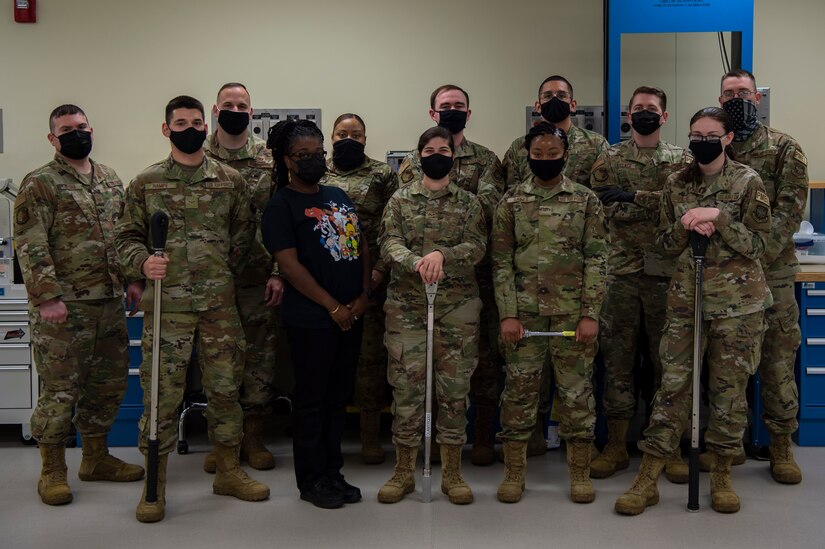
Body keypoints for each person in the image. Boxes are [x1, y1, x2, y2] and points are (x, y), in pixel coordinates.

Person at [116, 95, 267, 523]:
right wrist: (142, 262)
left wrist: (222, 274)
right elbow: (125, 238)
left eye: (196, 121)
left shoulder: (229, 180)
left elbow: (243, 237)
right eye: (180, 122)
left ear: (208, 125)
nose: (190, 127)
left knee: (225, 391)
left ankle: (228, 471)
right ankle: (155, 485)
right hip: (168, 308)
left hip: (219, 305)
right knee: (161, 397)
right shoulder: (146, 183)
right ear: (167, 129)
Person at [615, 107, 773, 516]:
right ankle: (648, 477)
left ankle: (721, 474)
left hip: (738, 306)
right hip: (688, 300)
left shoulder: (747, 181)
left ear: (727, 139)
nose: (702, 141)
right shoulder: (675, 182)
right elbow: (664, 245)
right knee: (673, 387)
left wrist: (719, 218)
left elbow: (759, 246)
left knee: (727, 392)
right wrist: (686, 225)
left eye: (711, 134)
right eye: (696, 134)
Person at [14, 104, 144, 506]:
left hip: (108, 301)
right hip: (63, 307)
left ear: (92, 128)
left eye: (82, 126)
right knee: (61, 389)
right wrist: (47, 295)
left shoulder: (109, 178)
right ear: (53, 139)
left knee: (107, 385)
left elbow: (122, 235)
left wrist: (131, 280)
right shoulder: (40, 182)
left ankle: (95, 457)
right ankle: (52, 470)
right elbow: (30, 243)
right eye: (67, 129)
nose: (77, 133)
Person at [493, 122, 607, 504]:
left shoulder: (586, 200)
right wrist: (508, 314)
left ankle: (579, 472)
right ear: (527, 155)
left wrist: (590, 314)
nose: (544, 160)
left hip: (572, 315)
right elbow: (501, 262)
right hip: (524, 316)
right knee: (519, 393)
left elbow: (597, 258)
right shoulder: (510, 201)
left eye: (552, 155)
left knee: (577, 394)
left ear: (565, 155)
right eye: (537, 155)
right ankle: (513, 473)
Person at [261, 119, 368, 510]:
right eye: (302, 155)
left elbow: (360, 243)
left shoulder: (338, 194)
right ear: (287, 160)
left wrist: (361, 296)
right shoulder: (280, 205)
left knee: (338, 398)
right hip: (312, 319)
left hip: (351, 314)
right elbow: (289, 267)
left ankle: (332, 471)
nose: (312, 160)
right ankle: (311, 480)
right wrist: (333, 306)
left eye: (317, 153)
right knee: (311, 400)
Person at [377, 126, 486, 504]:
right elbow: (388, 242)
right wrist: (416, 261)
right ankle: (404, 470)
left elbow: (477, 245)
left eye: (444, 149)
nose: (436, 154)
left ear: (453, 157)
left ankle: (452, 473)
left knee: (454, 391)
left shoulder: (469, 203)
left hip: (456, 308)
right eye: (429, 149)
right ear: (419, 155)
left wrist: (444, 255)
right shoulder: (400, 200)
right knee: (406, 389)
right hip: (408, 307)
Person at [589, 86, 693, 482]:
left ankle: (668, 447)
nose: (644, 114)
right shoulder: (609, 157)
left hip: (667, 275)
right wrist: (652, 203)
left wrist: (632, 197)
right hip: (620, 274)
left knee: (669, 364)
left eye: (652, 109)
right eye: (638, 109)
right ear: (627, 116)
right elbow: (601, 205)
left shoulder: (682, 159)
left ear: (664, 116)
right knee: (617, 360)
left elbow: (680, 209)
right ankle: (616, 445)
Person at [398, 84, 504, 465]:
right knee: (418, 370)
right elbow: (405, 211)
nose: (453, 110)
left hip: (472, 277)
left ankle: (479, 438)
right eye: (446, 106)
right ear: (433, 113)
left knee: (480, 363)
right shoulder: (413, 160)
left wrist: (450, 199)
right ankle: (429, 449)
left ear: (469, 113)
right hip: (418, 281)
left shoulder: (487, 159)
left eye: (459, 106)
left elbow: (490, 210)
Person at [713, 69, 808, 483]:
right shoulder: (714, 148)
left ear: (758, 97)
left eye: (743, 93)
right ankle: (730, 444)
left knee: (776, 362)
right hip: (725, 282)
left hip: (773, 276)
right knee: (729, 365)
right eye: (728, 93)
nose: (736, 99)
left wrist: (754, 254)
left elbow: (789, 213)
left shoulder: (784, 148)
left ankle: (782, 447)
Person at [202, 82, 281, 473]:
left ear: (252, 113)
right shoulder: (196, 157)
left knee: (258, 361)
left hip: (257, 278)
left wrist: (280, 272)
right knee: (217, 364)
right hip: (209, 280)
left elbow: (283, 220)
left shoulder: (269, 160)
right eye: (228, 104)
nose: (235, 109)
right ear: (216, 109)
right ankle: (222, 444)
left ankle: (253, 439)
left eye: (242, 105)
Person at [322, 113, 398, 464]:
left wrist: (378, 274)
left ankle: (370, 437)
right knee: (327, 361)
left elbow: (392, 227)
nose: (349, 138)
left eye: (356, 133)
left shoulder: (383, 174)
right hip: (323, 284)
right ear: (331, 136)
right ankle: (328, 437)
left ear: (366, 138)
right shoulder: (316, 172)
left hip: (370, 282)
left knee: (370, 359)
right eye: (342, 133)